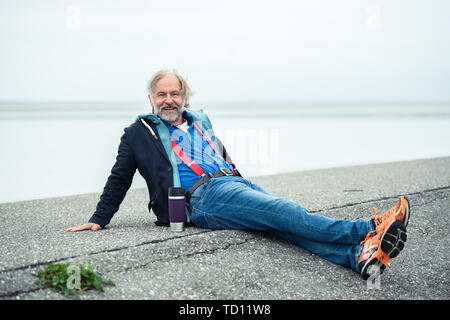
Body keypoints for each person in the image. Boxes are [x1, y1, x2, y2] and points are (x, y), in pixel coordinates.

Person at [66, 69, 410, 280]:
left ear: (183, 96)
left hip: (232, 183)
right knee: (285, 211)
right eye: (162, 94)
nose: (169, 99)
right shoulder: (138, 132)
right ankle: (368, 229)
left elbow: (219, 156)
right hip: (199, 198)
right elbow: (119, 177)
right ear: (151, 98)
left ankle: (359, 257)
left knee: (280, 224)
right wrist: (99, 218)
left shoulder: (199, 122)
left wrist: (241, 180)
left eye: (174, 93)